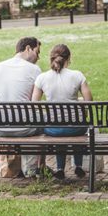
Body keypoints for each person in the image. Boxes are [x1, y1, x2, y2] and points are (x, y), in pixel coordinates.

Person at [32, 44, 93, 180]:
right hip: (76, 128)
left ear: (51, 58)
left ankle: (60, 169)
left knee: (59, 129)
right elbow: (89, 100)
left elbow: (34, 103)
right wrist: (79, 104)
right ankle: (78, 166)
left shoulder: (42, 78)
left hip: (53, 129)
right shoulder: (77, 75)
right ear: (68, 58)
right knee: (77, 125)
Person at [0, 37, 42, 177]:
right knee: (44, 124)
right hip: (25, 129)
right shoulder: (34, 70)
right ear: (28, 48)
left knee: (0, 116)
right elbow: (36, 104)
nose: (38, 57)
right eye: (37, 52)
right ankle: (37, 167)